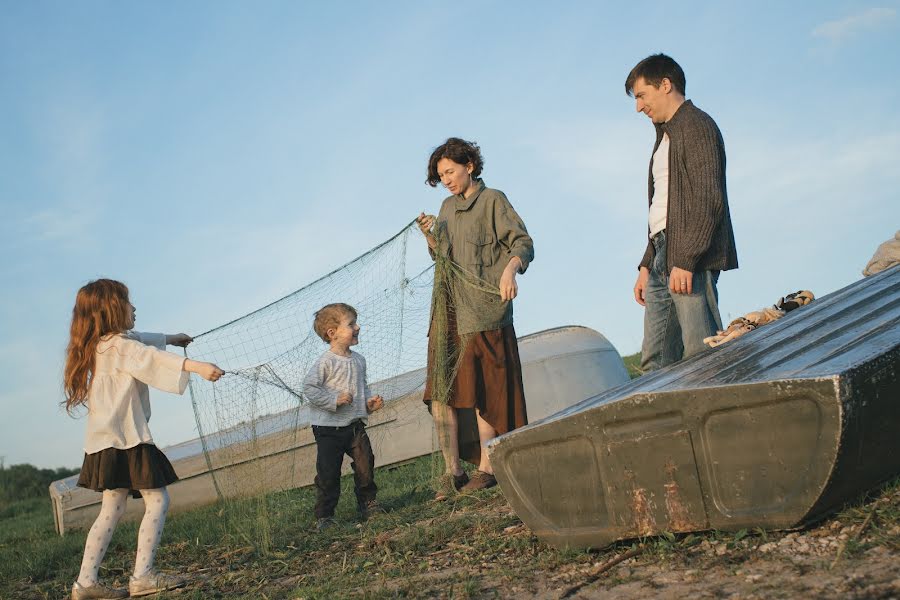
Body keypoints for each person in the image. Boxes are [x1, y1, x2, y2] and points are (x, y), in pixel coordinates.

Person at [63, 279, 224, 600]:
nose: (134, 308)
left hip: (104, 442)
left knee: (111, 508)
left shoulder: (103, 345)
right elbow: (150, 358)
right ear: (111, 310)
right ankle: (143, 576)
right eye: (127, 302)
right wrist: (197, 366)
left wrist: (171, 338)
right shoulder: (121, 347)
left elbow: (142, 341)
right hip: (127, 439)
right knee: (158, 499)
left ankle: (85, 583)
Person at [416, 137, 534, 500]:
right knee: (443, 390)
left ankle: (487, 467)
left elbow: (523, 243)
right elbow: (444, 260)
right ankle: (453, 471)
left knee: (487, 390)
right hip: (449, 312)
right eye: (441, 175)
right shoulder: (446, 208)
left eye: (450, 171)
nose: (447, 180)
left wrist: (510, 271)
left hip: (485, 311)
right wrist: (430, 237)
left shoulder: (494, 200)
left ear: (469, 164)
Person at [626, 54, 738, 372]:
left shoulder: (697, 126)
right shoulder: (665, 136)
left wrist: (686, 259)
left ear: (665, 85)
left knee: (703, 355)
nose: (639, 107)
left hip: (690, 257)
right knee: (655, 361)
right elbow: (661, 208)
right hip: (663, 255)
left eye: (641, 96)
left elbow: (708, 200)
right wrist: (647, 264)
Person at [302, 303, 385, 531]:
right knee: (329, 473)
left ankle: (368, 504)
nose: (358, 327)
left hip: (354, 426)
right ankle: (324, 516)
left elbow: (362, 387)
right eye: (351, 324)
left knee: (365, 465)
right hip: (328, 429)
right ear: (332, 333)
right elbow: (309, 388)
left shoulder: (359, 360)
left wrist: (369, 403)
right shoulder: (325, 362)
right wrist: (333, 400)